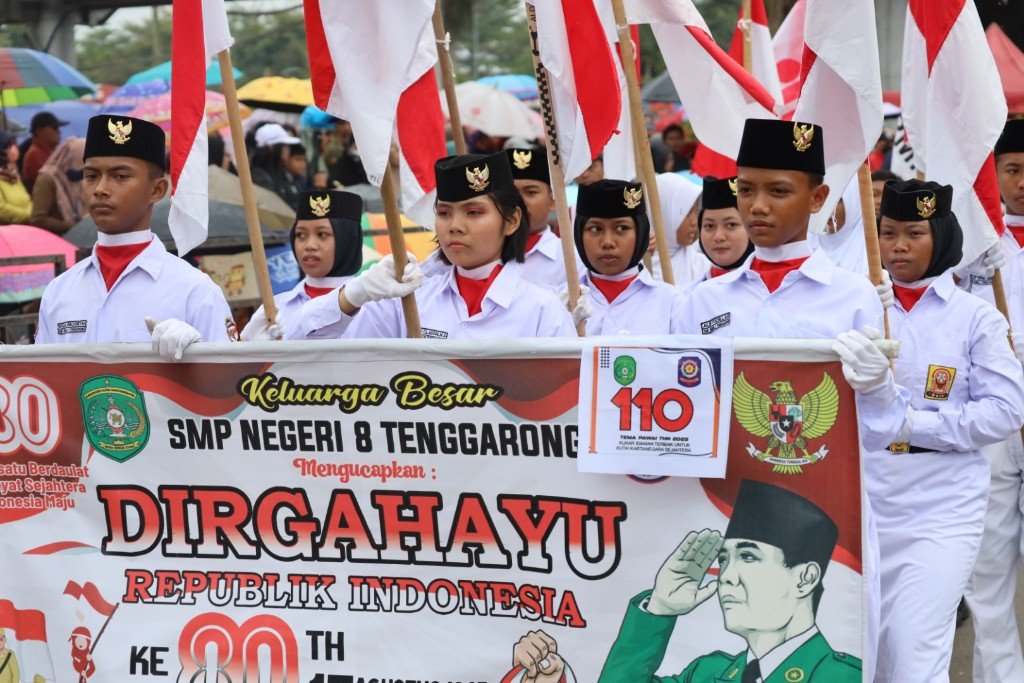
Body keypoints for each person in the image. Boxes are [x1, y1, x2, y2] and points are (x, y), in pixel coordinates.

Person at [855, 179, 1024, 682]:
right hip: (865, 501)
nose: (898, 246)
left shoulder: (976, 318)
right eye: (888, 233)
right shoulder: (860, 306)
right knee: (870, 654)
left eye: (914, 234)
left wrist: (915, 424)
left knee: (916, 655)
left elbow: (1005, 410)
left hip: (941, 507)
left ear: (943, 237)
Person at [289, 151, 575, 340]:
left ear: (511, 220)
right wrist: (354, 294)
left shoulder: (542, 310)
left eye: (473, 212)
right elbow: (298, 344)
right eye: (444, 213)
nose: (455, 226)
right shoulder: (409, 300)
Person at [598, 480, 861, 682]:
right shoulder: (707, 673)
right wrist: (659, 609)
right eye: (723, 559)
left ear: (805, 578)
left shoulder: (841, 676)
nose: (726, 577)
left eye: (748, 557)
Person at [35, 115, 233, 359]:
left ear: (157, 190)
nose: (100, 189)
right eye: (91, 176)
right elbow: (42, 377)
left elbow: (228, 378)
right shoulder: (59, 291)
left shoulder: (193, 290)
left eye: (120, 176)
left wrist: (199, 357)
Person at [679, 119, 887, 339]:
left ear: (817, 198)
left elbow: (881, 360)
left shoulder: (853, 296)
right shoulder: (705, 299)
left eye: (778, 191)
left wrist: (876, 364)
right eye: (746, 190)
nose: (758, 206)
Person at [963, 117, 1024, 683]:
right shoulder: (975, 245)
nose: (1022, 182)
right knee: (989, 574)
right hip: (994, 418)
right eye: (1012, 169)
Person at [242, 189, 363, 340]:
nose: (309, 245)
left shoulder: (378, 305)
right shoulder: (274, 309)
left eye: (322, 234)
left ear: (348, 239)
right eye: (300, 235)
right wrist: (250, 345)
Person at [570, 179, 686, 334]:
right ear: (579, 234)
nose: (608, 242)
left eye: (622, 228)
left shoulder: (671, 304)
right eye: (596, 229)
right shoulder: (561, 303)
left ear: (641, 233)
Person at [504, 147, 582, 291]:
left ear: (553, 201)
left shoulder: (571, 260)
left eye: (531, 192)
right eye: (511, 193)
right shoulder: (482, 254)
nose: (520, 202)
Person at [689, 175, 753, 287]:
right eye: (709, 226)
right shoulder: (690, 293)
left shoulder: (775, 290)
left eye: (731, 225)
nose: (718, 237)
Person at [650, 172, 708, 285]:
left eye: (696, 211)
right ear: (664, 213)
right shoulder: (639, 269)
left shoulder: (703, 268)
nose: (694, 222)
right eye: (687, 212)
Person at [29, 136, 85, 234]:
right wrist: (72, 226)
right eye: (82, 164)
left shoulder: (74, 178)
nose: (83, 170)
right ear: (71, 159)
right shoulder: (47, 180)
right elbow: (38, 219)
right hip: (56, 238)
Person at [250, 123, 302, 206]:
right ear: (272, 147)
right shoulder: (260, 177)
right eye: (285, 146)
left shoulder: (283, 173)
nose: (288, 150)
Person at [21, 111, 68, 192]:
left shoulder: (50, 152)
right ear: (39, 131)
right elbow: (56, 181)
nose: (59, 132)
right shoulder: (34, 154)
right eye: (54, 128)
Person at [0, 131, 31, 225]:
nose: (15, 148)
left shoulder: (12, 174)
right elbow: (2, 210)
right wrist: (29, 215)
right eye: (9, 146)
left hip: (25, 226)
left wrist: (32, 213)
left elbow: (27, 200)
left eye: (14, 144)